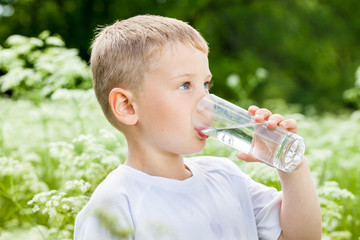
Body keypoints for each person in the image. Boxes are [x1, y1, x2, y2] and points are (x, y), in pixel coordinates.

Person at [74, 15, 322, 240]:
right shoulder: (113, 205)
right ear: (127, 106)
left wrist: (292, 165)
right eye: (184, 85)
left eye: (205, 85)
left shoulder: (226, 176)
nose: (205, 101)